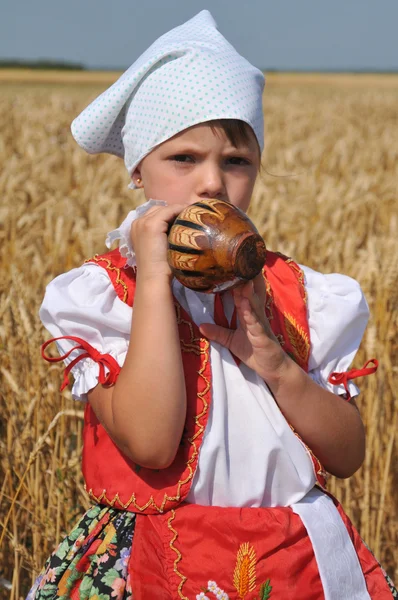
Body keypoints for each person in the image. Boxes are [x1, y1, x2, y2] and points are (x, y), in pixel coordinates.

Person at [28, 10, 396, 600]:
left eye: (235, 161)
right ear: (137, 171)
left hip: (294, 558)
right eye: (183, 159)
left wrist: (276, 365)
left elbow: (348, 454)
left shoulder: (302, 294)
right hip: (148, 560)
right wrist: (153, 278)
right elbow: (150, 442)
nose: (211, 185)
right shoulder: (103, 298)